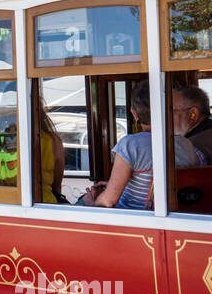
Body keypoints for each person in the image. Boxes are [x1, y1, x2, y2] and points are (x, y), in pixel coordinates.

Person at [81, 80, 200, 209]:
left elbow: (108, 201)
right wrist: (112, 185)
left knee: (82, 201)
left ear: (134, 113)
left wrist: (91, 203)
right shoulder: (186, 144)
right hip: (172, 213)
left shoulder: (130, 145)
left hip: (135, 219)